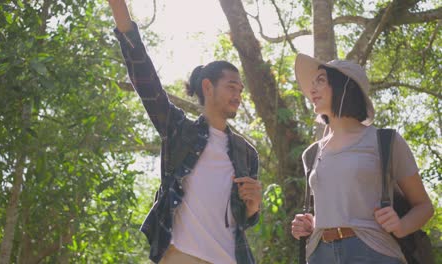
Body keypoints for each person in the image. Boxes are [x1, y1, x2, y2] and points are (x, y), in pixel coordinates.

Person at [108, 1, 262, 263]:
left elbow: (245, 220)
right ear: (208, 86)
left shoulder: (246, 152)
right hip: (181, 255)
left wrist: (254, 205)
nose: (238, 95)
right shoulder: (178, 129)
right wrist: (121, 15)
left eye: (240, 90)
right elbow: (144, 76)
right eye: (232, 87)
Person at [290, 53, 434, 263]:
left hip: (373, 252)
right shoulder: (310, 154)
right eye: (312, 83)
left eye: (320, 80)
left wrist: (401, 226)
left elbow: (424, 206)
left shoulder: (385, 141)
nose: (312, 89)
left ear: (345, 87)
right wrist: (307, 224)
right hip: (320, 254)